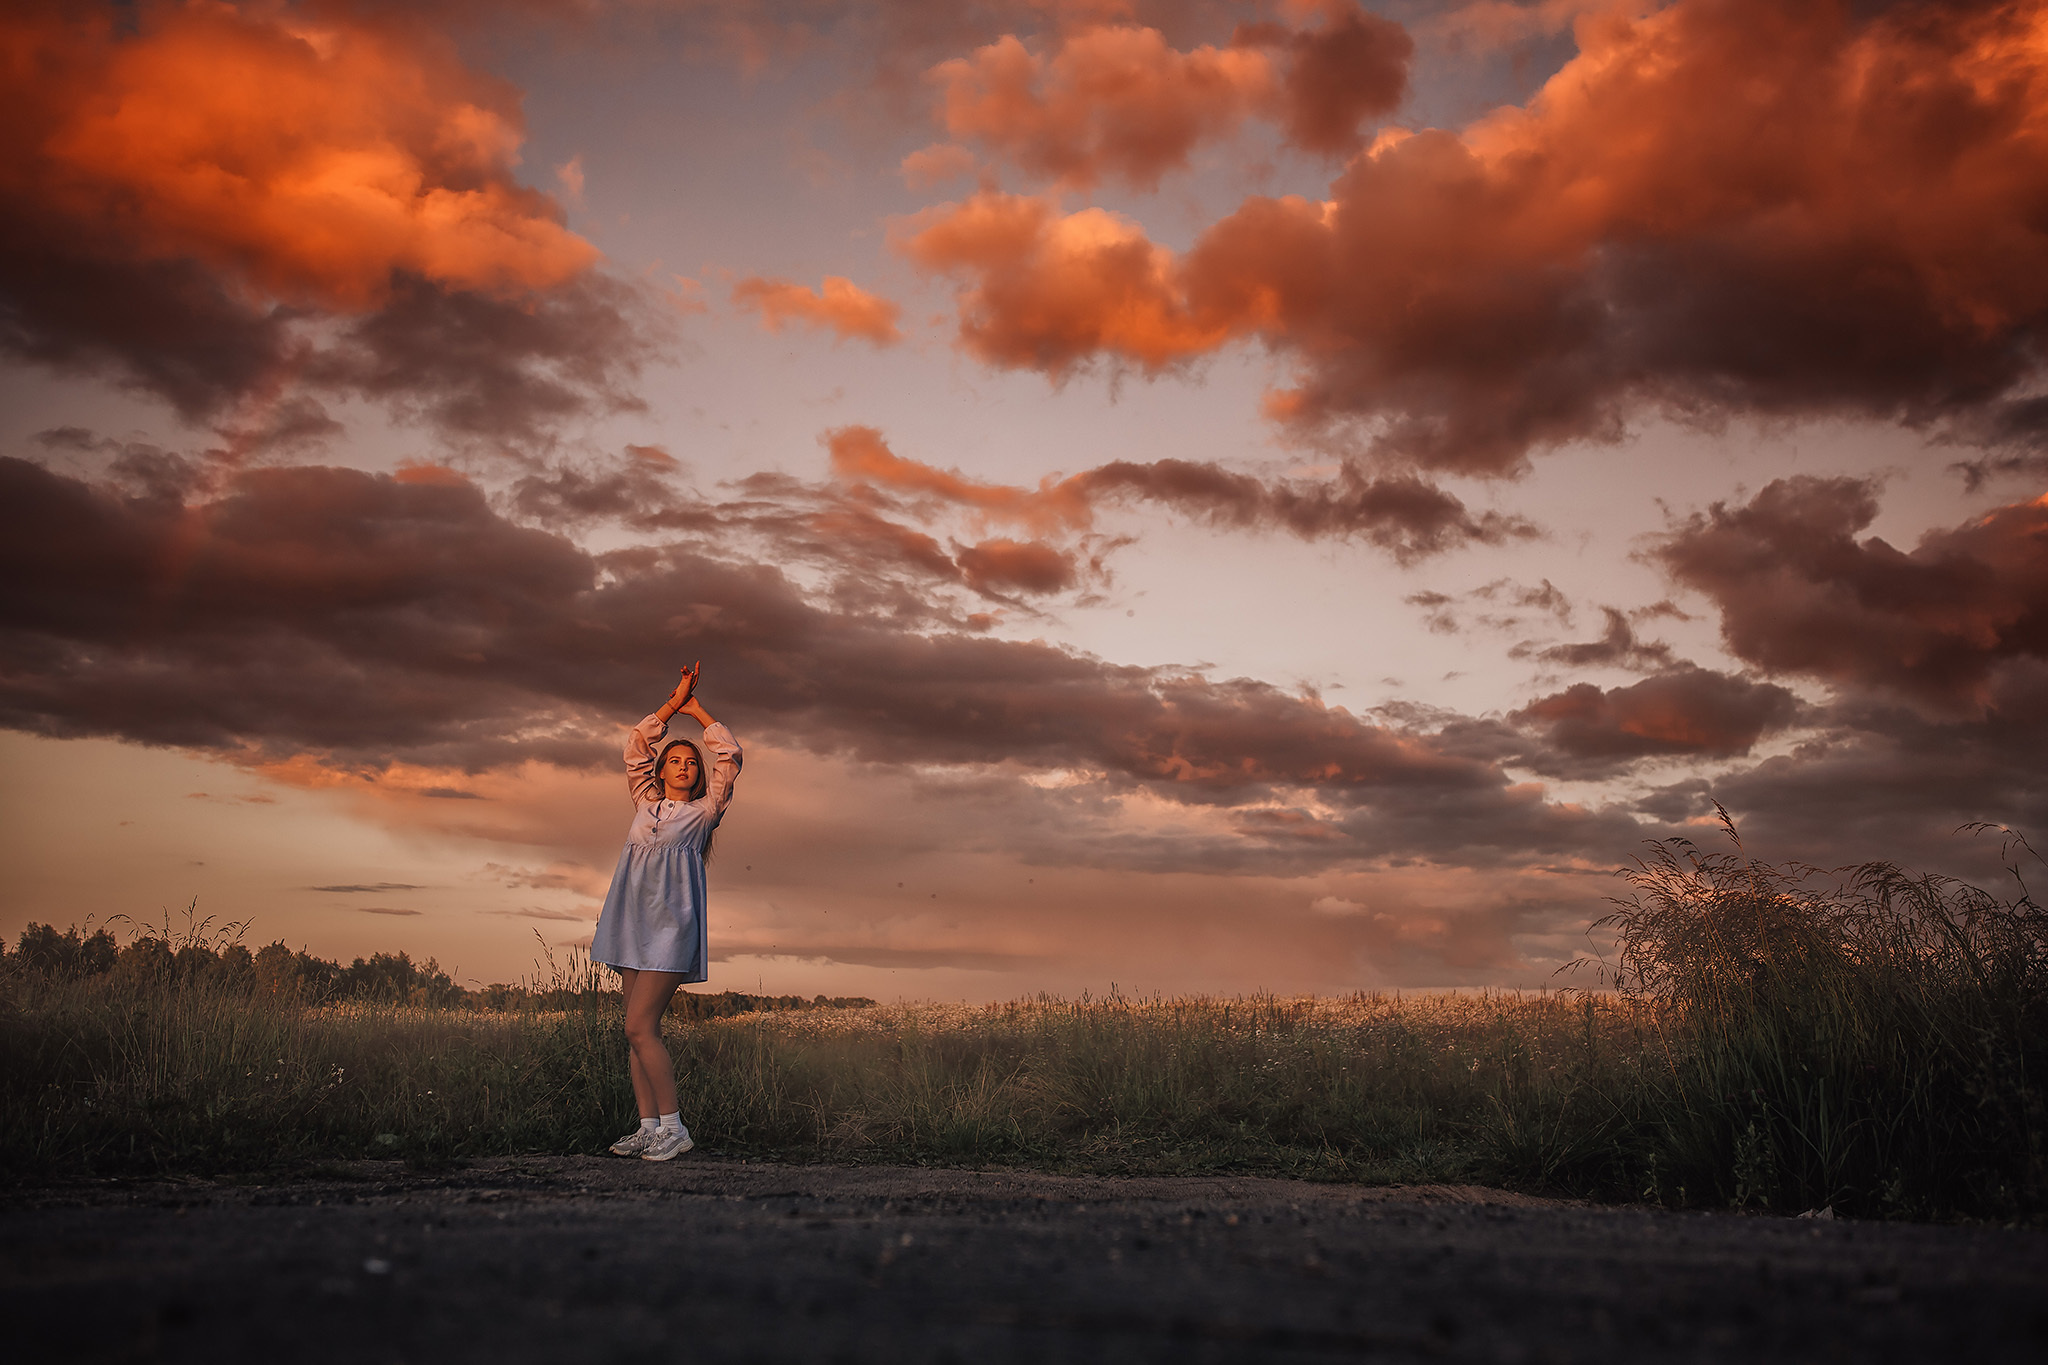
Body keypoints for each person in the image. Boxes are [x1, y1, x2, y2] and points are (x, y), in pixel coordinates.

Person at [590, 661, 742, 1161]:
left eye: (690, 762)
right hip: (632, 923)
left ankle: (674, 1128)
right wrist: (672, 702)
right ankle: (649, 1127)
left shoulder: (705, 813)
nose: (683, 765)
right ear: (660, 771)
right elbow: (635, 747)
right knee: (637, 1031)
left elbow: (730, 755)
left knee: (638, 1027)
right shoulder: (645, 803)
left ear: (698, 775)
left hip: (669, 929)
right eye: (674, 760)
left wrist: (697, 712)